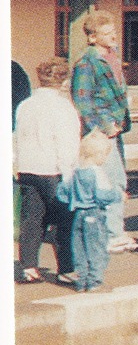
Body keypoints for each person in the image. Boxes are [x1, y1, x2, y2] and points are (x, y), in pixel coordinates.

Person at [71, 8, 135, 252]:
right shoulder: (86, 63)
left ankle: (113, 230)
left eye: (114, 31)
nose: (113, 36)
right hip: (102, 133)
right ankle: (112, 234)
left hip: (114, 129)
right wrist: (103, 128)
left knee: (117, 179)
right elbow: (83, 102)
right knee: (113, 180)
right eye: (107, 33)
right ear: (92, 37)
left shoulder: (112, 57)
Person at [14, 58, 80, 283]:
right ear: (64, 82)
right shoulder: (63, 108)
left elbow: (17, 137)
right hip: (53, 170)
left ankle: (29, 267)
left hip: (27, 168)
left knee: (32, 219)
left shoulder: (26, 105)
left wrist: (16, 164)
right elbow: (67, 144)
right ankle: (66, 269)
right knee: (64, 221)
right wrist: (69, 172)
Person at [56, 130, 123, 292]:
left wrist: (76, 199)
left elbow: (62, 193)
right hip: (94, 213)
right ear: (99, 154)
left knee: (79, 249)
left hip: (78, 214)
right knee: (96, 248)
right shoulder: (97, 172)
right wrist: (118, 195)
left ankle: (81, 281)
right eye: (105, 155)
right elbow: (102, 195)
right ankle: (94, 281)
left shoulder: (75, 171)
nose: (105, 159)